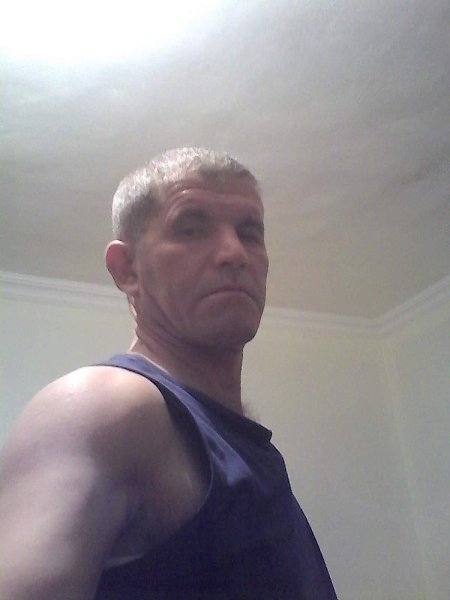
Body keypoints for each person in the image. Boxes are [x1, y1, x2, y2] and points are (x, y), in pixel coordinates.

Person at [0, 147, 337, 599]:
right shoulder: (103, 405)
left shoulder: (243, 443)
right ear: (127, 269)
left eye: (249, 233)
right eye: (191, 229)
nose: (234, 252)